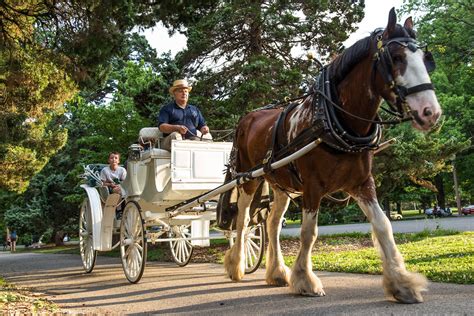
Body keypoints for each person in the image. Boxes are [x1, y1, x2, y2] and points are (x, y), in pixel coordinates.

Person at [158, 79, 212, 151]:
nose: (184, 93)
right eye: (180, 91)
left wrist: (204, 128)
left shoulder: (194, 109)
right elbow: (162, 127)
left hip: (192, 140)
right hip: (169, 141)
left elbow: (202, 125)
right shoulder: (167, 109)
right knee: (175, 136)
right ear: (174, 94)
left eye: (186, 91)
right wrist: (177, 128)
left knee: (208, 138)